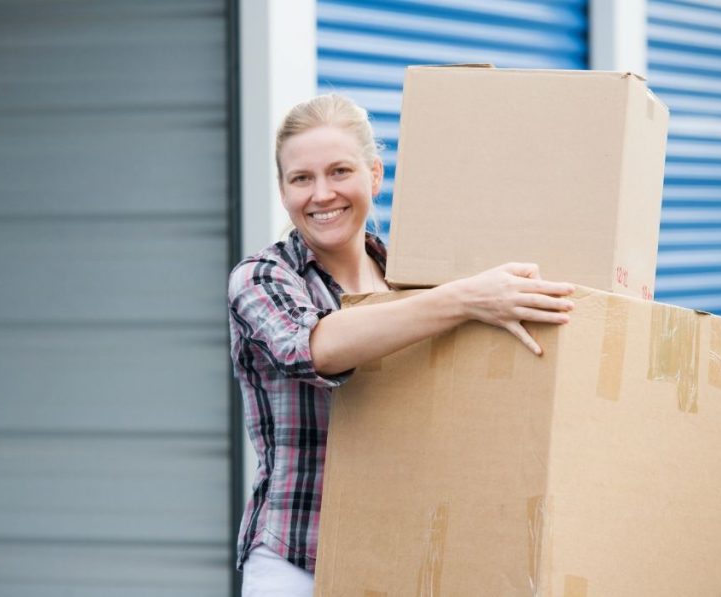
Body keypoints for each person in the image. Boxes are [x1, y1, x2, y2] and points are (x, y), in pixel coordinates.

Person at [227, 94, 575, 596]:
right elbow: (312, 346)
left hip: (400, 558)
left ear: (374, 175)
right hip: (299, 562)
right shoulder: (261, 277)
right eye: (301, 178)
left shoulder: (410, 280)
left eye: (339, 171)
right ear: (283, 191)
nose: (322, 194)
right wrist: (466, 298)